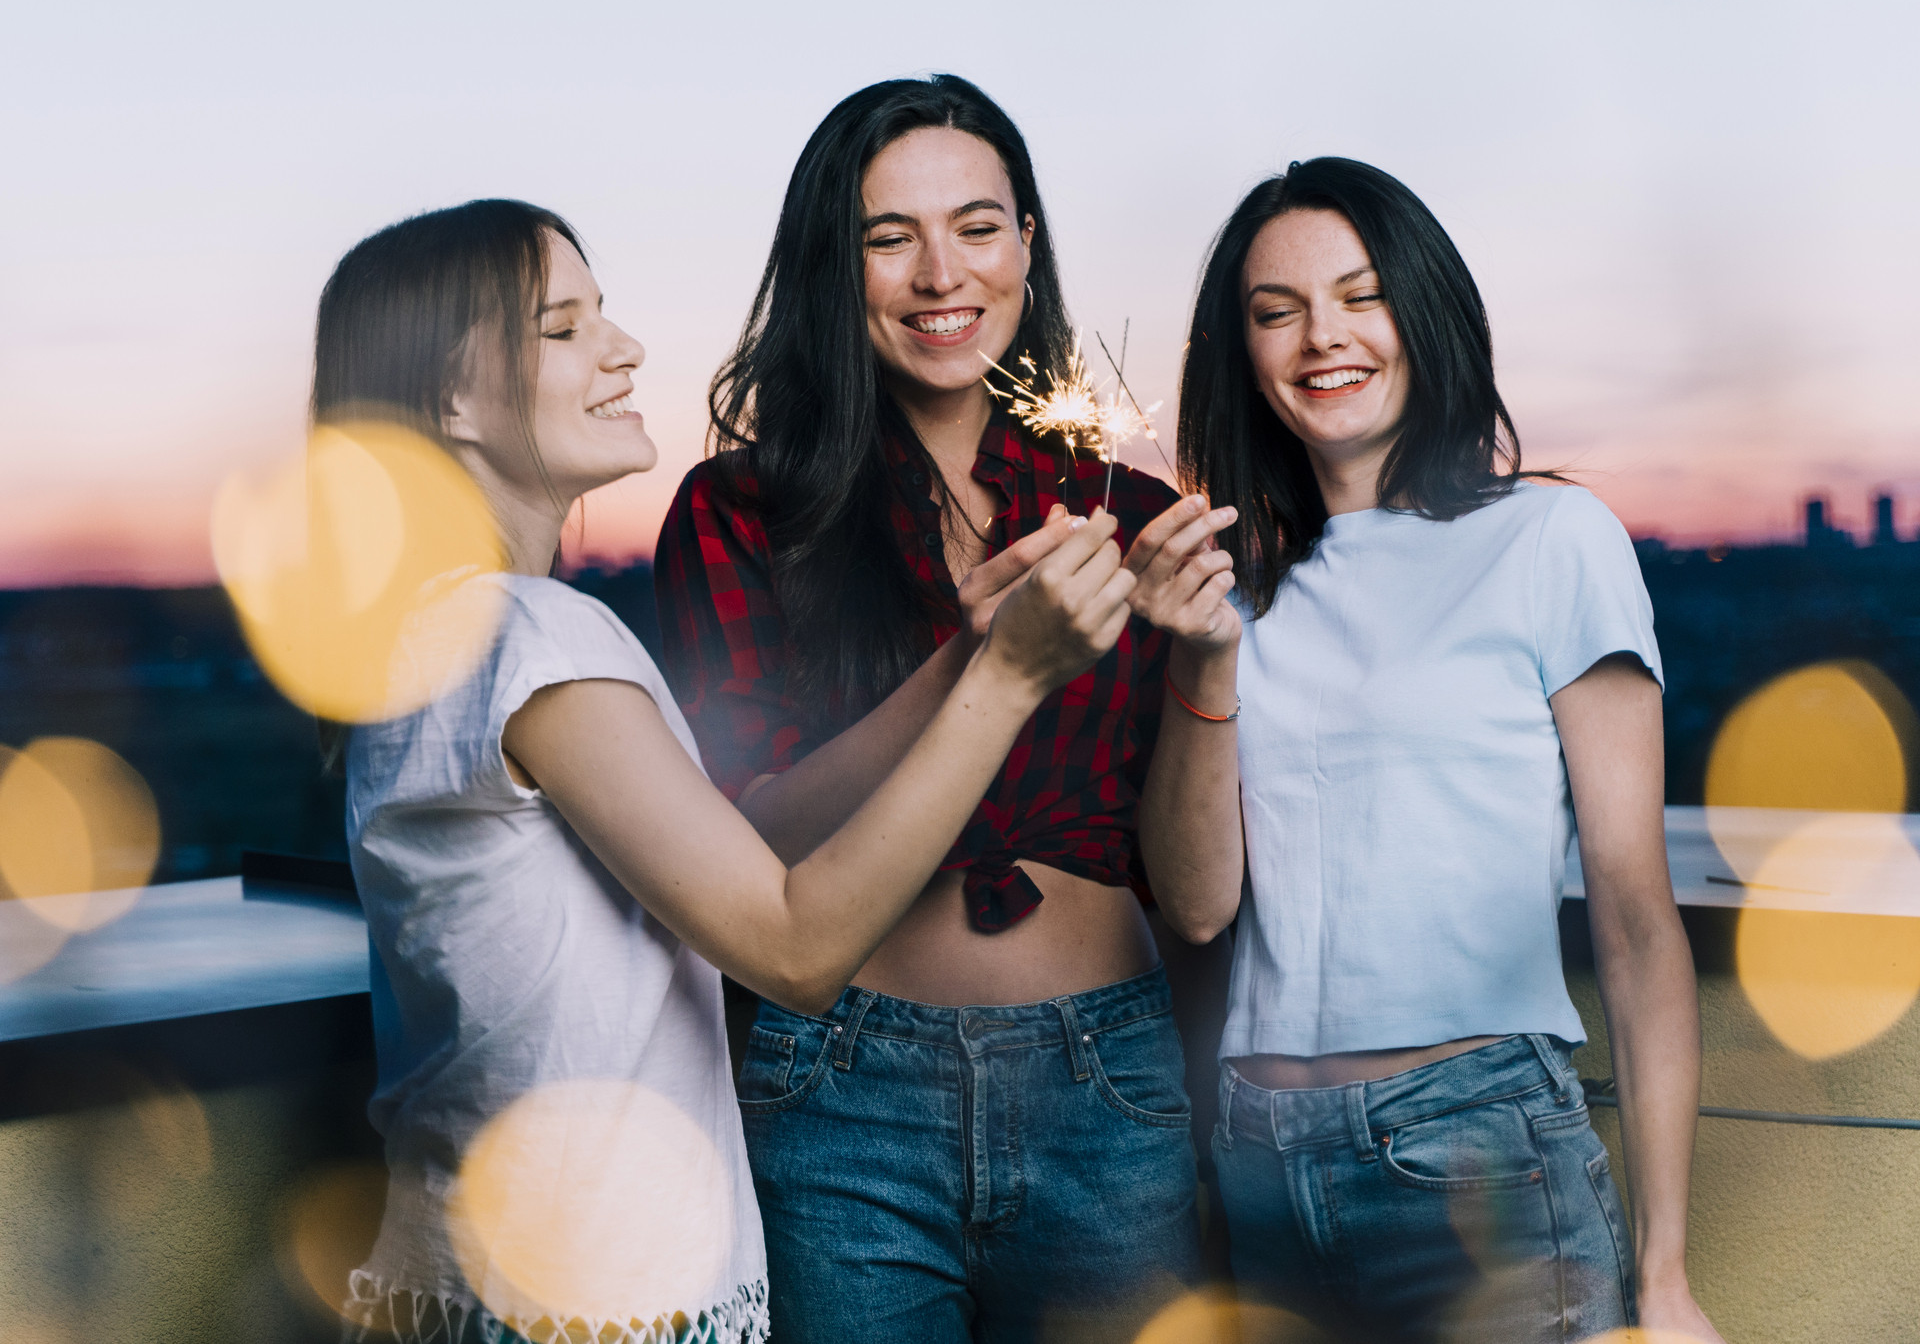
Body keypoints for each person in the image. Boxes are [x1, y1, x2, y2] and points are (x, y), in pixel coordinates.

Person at [320, 199, 1138, 1344]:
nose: (624, 349)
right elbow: (795, 949)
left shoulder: (430, 637)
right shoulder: (537, 641)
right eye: (563, 328)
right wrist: (1009, 682)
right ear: (453, 401)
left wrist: (965, 657)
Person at [652, 75, 1240, 1342]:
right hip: (841, 1094)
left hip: (1110, 1087)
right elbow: (746, 840)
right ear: (835, 264)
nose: (940, 274)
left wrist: (1207, 666)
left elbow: (1196, 903)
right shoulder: (741, 514)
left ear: (1026, 243)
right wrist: (977, 660)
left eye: (977, 227)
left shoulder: (1124, 516)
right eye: (888, 236)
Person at [1158, 158, 1727, 1343]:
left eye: (1361, 296)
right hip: (1258, 1166)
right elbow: (1199, 906)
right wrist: (1200, 662)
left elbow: (1633, 917)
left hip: (1481, 1157)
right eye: (1277, 311)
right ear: (1243, 355)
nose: (1323, 337)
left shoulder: (1552, 539)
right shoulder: (1228, 589)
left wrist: (1667, 1278)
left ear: (1427, 312)